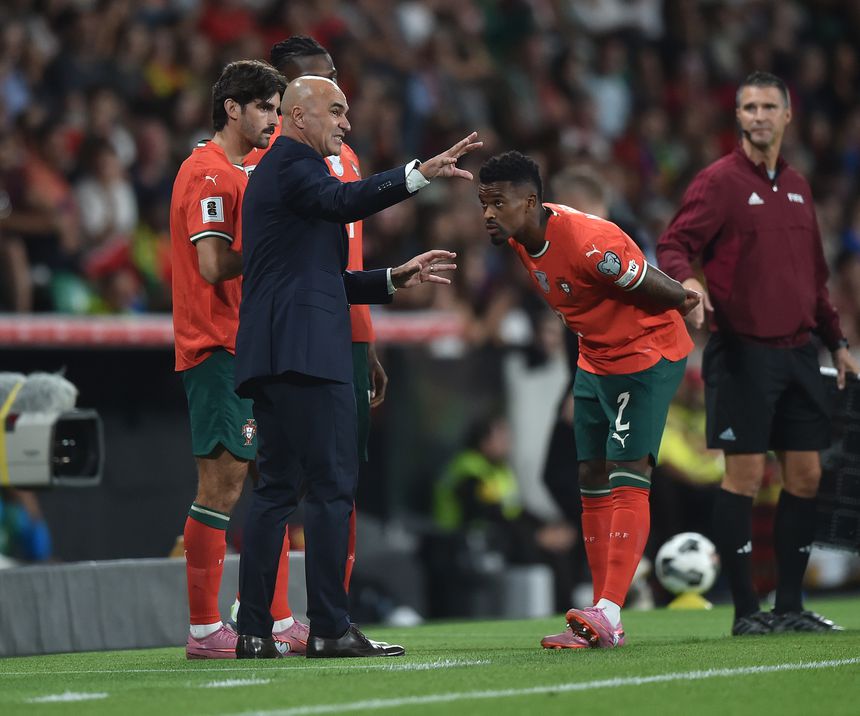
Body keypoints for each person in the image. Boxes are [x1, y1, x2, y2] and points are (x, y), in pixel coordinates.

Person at [233, 75, 480, 659]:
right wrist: (417, 174)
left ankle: (253, 633)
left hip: (272, 351)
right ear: (298, 115)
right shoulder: (297, 166)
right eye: (337, 111)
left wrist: (394, 277)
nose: (346, 123)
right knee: (330, 487)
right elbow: (343, 202)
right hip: (305, 353)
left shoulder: (280, 175)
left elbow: (323, 279)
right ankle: (328, 626)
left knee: (274, 492)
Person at [656, 71, 857, 635]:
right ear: (738, 117)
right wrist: (686, 285)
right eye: (749, 107)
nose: (760, 116)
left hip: (799, 353)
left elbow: (815, 279)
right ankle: (746, 611)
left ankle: (789, 607)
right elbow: (674, 244)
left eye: (770, 106)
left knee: (806, 477)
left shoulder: (798, 184)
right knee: (742, 478)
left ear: (788, 115)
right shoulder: (719, 181)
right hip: (742, 352)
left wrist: (836, 341)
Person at [477, 151, 699, 649]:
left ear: (530, 201)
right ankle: (604, 613)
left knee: (628, 472)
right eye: (482, 203)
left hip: (645, 354)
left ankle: (610, 610)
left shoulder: (591, 244)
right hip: (595, 360)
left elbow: (651, 284)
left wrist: (690, 300)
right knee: (590, 475)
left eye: (497, 203)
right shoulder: (520, 240)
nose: (487, 213)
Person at [169, 60, 308, 660]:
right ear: (233, 107)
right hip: (215, 348)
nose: (274, 120)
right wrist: (275, 246)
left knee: (270, 483)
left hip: (247, 345)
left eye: (279, 110)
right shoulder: (207, 175)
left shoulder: (240, 172)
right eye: (267, 108)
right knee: (221, 486)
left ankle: (276, 621)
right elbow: (212, 265)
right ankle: (204, 629)